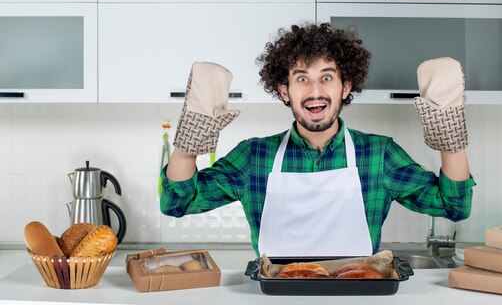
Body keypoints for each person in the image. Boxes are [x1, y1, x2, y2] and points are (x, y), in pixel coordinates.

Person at [160, 22, 475, 257]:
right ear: (284, 91)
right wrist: (193, 136)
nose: (314, 92)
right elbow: (176, 203)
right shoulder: (254, 156)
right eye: (301, 79)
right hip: (277, 303)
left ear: (345, 87)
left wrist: (449, 131)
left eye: (327, 77)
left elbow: (454, 206)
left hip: (355, 301)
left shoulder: (379, 155)